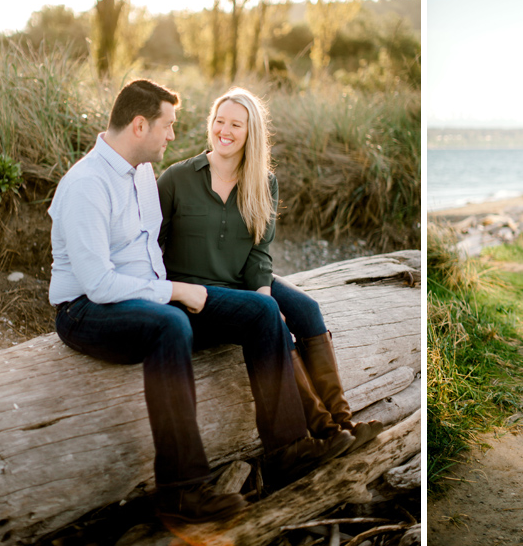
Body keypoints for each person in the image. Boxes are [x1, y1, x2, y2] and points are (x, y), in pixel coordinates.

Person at [49, 79, 352, 525]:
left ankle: (289, 451)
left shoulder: (142, 174)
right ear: (139, 125)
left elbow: (155, 248)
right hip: (86, 312)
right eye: (167, 126)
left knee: (263, 310)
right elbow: (97, 285)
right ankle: (182, 490)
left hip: (148, 298)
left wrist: (188, 292)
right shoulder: (86, 185)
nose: (173, 135)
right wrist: (177, 291)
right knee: (170, 326)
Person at [157, 87, 383, 459]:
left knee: (306, 309)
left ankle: (343, 423)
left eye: (236, 124)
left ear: (252, 132)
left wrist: (262, 294)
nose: (224, 131)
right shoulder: (177, 178)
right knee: (269, 320)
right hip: (199, 295)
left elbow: (259, 251)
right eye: (219, 121)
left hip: (242, 279)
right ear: (210, 124)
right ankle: (324, 430)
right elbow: (149, 244)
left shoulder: (264, 182)